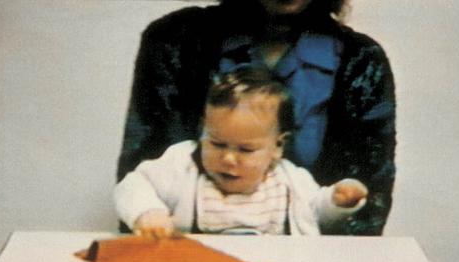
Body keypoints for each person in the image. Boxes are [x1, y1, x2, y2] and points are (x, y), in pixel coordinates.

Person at [117, 0, 396, 235]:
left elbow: (365, 203)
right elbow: (139, 177)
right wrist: (150, 221)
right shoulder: (175, 40)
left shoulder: (360, 60)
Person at [114, 68, 368, 238]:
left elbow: (314, 212)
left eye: (246, 149)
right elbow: (133, 184)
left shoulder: (291, 180)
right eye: (217, 144)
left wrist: (337, 201)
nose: (228, 158)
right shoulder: (183, 166)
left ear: (278, 146)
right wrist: (147, 212)